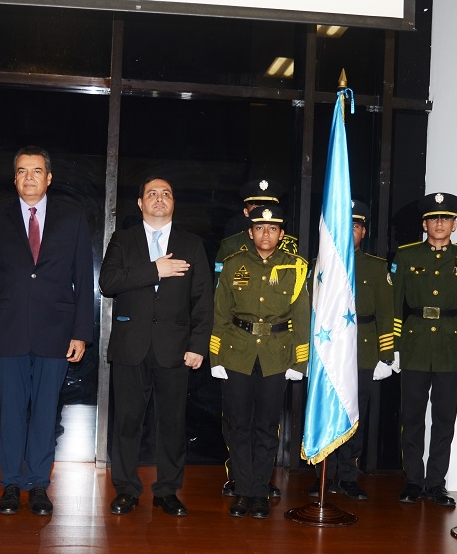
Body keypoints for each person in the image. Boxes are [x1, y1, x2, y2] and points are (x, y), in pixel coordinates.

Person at [0, 145, 94, 516]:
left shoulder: (72, 218)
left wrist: (81, 332)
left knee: (44, 412)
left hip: (56, 331)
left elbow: (83, 278)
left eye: (36, 171)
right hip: (5, 331)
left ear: (49, 178)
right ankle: (10, 485)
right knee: (11, 410)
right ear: (14, 178)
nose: (29, 178)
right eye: (22, 171)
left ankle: (38, 484)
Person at [99, 177, 213, 517]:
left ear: (174, 202)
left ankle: (167, 491)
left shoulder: (191, 244)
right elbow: (108, 283)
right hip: (130, 347)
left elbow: (204, 300)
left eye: (166, 193)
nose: (159, 199)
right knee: (127, 423)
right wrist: (155, 270)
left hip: (176, 349)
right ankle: (126, 490)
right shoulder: (123, 239)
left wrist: (198, 345)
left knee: (172, 424)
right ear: (140, 203)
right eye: (152, 193)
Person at [210, 206, 310, 519]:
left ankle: (260, 491)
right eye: (259, 228)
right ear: (250, 232)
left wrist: (300, 361)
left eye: (272, 228)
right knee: (239, 425)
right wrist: (216, 356)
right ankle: (242, 491)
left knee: (267, 427)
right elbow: (221, 313)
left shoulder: (296, 267)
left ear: (281, 234)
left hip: (277, 355)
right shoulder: (233, 264)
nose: (265, 234)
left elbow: (302, 317)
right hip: (237, 352)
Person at [391, 192, 457, 507]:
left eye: (445, 218)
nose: (439, 223)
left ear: (454, 225)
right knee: (412, 417)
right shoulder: (407, 255)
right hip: (414, 343)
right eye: (433, 218)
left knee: (444, 418)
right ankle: (413, 481)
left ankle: (436, 483)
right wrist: (396, 347)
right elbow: (395, 304)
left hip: (450, 346)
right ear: (425, 223)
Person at [308, 199, 395, 500]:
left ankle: (347, 477)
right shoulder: (321, 265)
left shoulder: (376, 266)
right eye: (345, 226)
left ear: (363, 232)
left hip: (363, 350)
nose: (351, 232)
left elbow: (386, 312)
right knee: (324, 410)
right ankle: (321, 474)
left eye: (356, 226)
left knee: (354, 414)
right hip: (329, 349)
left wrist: (386, 355)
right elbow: (311, 310)